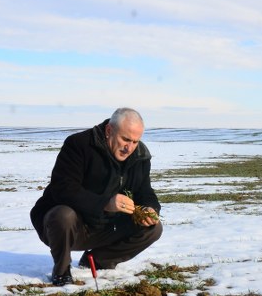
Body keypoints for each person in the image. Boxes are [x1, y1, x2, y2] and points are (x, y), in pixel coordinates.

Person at [30, 107, 163, 285]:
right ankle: (62, 271)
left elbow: (145, 192)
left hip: (107, 226)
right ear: (109, 131)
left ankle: (97, 260)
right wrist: (105, 203)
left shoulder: (140, 155)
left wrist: (150, 209)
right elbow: (62, 188)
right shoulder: (78, 144)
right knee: (63, 215)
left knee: (153, 228)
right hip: (69, 227)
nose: (129, 147)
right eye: (125, 139)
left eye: (134, 141)